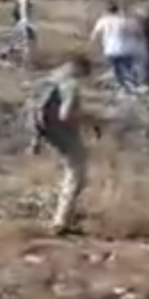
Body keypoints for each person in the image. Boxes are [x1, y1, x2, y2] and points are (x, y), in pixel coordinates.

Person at [28, 55, 96, 236]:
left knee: (71, 174)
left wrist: (36, 139)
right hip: (65, 134)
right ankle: (61, 221)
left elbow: (35, 110)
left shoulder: (47, 80)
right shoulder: (70, 84)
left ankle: (63, 216)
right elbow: (65, 114)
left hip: (47, 132)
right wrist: (89, 121)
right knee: (77, 176)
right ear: (79, 69)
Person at [90, 2, 143, 93]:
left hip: (110, 49)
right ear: (117, 10)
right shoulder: (124, 20)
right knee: (127, 67)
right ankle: (132, 85)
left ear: (107, 11)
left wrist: (93, 45)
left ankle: (124, 86)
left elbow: (94, 35)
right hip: (126, 48)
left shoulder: (103, 21)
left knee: (117, 68)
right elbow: (137, 33)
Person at [0, 0, 36, 68]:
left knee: (22, 40)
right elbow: (25, 12)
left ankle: (7, 54)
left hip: (21, 22)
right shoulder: (26, 0)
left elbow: (15, 12)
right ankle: (8, 55)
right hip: (24, 23)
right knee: (24, 41)